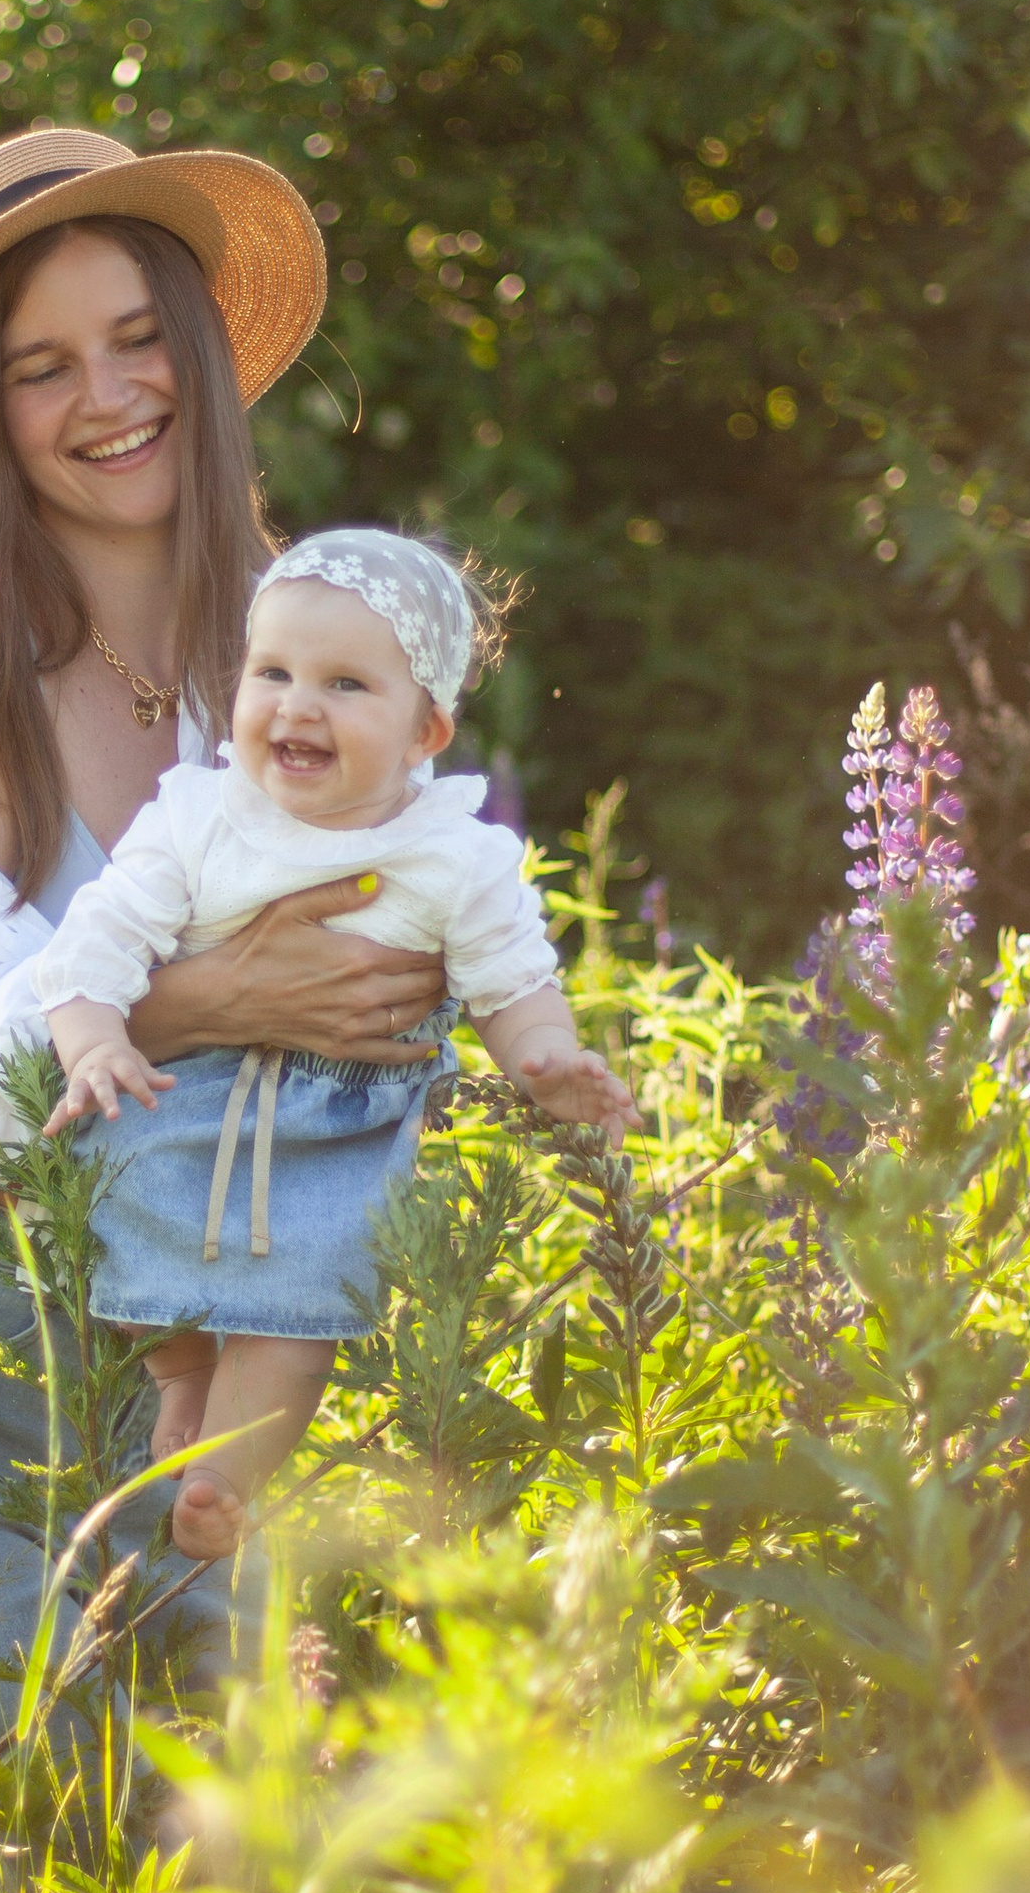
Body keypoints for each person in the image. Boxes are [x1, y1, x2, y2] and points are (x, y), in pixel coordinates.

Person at [0, 124, 452, 1751]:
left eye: (140, 340)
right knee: (29, 1845)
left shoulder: (278, 649)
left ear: (201, 356)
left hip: (174, 1378)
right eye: (43, 367)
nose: (109, 396)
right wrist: (199, 992)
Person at [31, 530, 640, 1562]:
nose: (296, 706)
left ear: (425, 728)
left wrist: (546, 1060)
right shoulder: (199, 817)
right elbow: (100, 937)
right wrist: (92, 1040)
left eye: (346, 684)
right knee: (120, 1227)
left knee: (298, 1312)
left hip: (335, 1131)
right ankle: (179, 1377)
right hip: (179, 1088)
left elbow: (513, 981)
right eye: (271, 672)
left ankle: (226, 1476)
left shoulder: (454, 855)